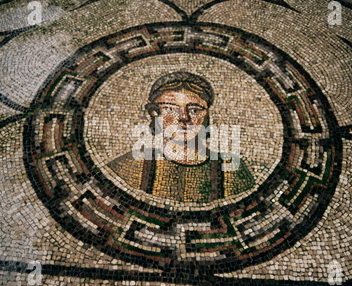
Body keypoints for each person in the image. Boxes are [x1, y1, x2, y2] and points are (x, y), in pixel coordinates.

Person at [108, 71, 254, 203]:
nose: (184, 117)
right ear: (154, 112)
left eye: (195, 109)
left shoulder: (232, 170)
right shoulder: (129, 165)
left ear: (206, 115)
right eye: (171, 108)